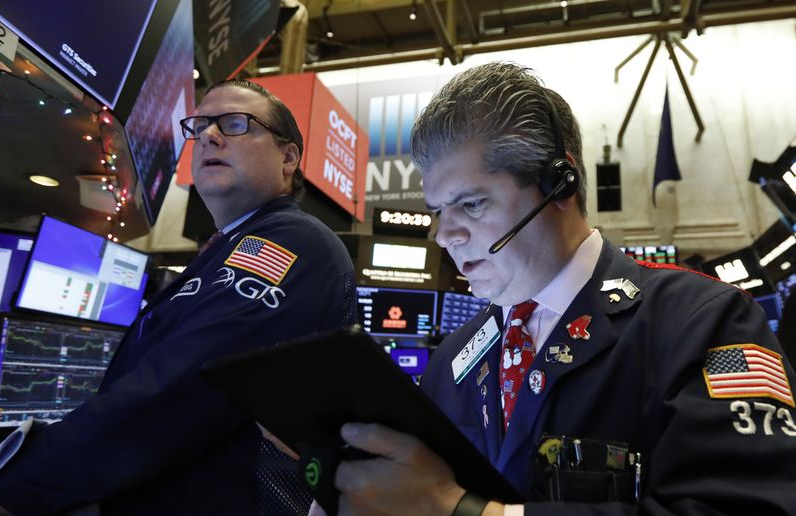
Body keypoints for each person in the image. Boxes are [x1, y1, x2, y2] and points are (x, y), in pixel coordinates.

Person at [330, 62, 796, 515]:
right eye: (437, 211)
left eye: (470, 205)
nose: (445, 235)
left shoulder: (705, 323)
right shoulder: (453, 359)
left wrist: (464, 512)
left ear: (560, 184)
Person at [0, 79, 356, 515]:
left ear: (289, 157)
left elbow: (175, 394)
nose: (210, 136)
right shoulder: (229, 250)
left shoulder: (291, 242)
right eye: (199, 127)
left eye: (236, 123)